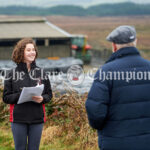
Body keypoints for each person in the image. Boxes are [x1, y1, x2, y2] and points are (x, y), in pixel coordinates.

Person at [85, 25, 150, 150]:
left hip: (115, 141)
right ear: (135, 42)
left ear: (114, 46)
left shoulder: (106, 71)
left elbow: (95, 109)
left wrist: (101, 127)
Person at [3, 38, 52, 150]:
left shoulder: (42, 72)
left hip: (37, 118)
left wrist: (42, 98)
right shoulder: (11, 73)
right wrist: (21, 95)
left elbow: (49, 94)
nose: (32, 52)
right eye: (28, 50)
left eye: (33, 50)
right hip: (18, 118)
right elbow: (6, 97)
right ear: (21, 52)